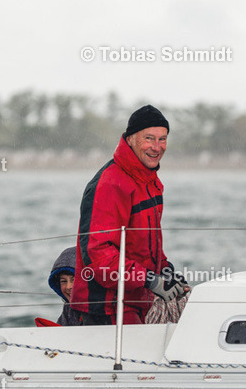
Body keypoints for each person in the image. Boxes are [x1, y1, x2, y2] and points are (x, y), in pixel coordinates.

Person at [70, 105, 188, 325]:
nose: (157, 147)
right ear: (130, 139)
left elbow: (147, 245)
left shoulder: (149, 180)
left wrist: (166, 272)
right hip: (106, 307)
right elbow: (99, 255)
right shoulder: (110, 183)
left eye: (162, 139)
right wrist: (149, 280)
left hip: (137, 298)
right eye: (149, 138)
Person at [46, 246, 76, 326]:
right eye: (63, 281)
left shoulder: (101, 307)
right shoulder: (68, 308)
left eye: (74, 280)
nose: (68, 287)